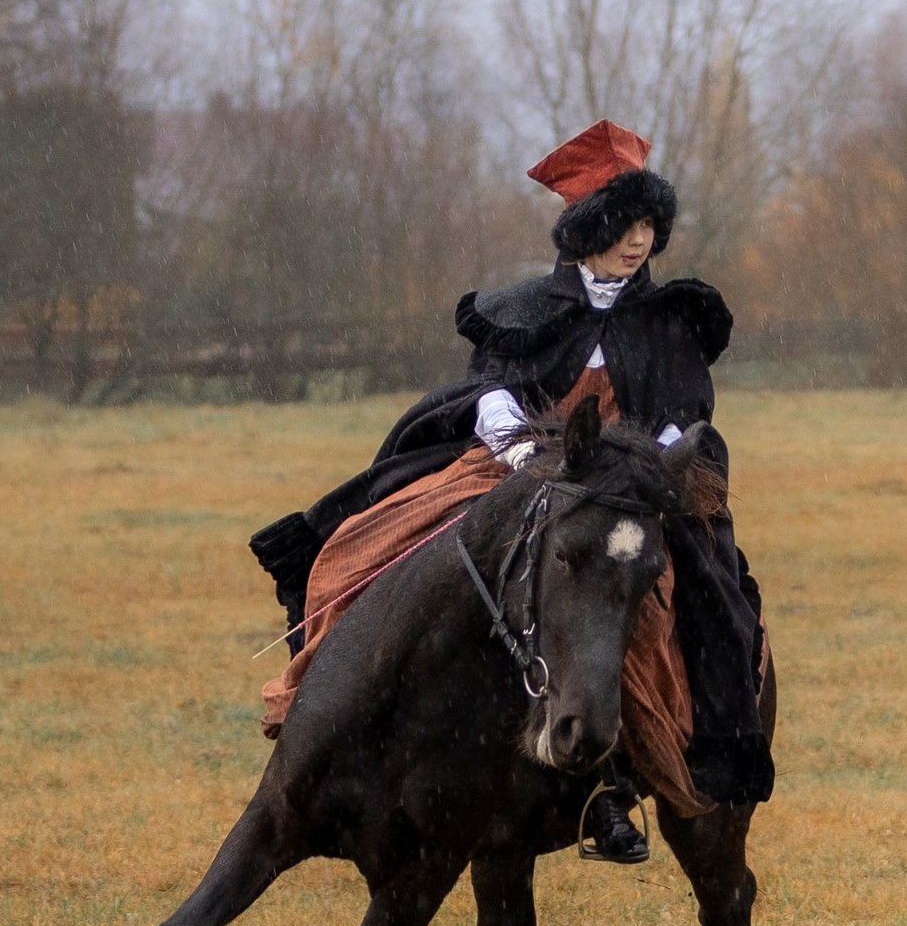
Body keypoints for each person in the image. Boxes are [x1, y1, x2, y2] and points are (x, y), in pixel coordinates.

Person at [247, 121, 773, 862]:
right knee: (369, 539)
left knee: (652, 616)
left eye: (650, 224)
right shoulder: (525, 305)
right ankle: (326, 707)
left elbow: (687, 416)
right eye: (625, 224)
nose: (638, 240)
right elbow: (489, 389)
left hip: (629, 497)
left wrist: (644, 465)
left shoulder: (672, 316)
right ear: (589, 227)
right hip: (520, 471)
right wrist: (519, 442)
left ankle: (609, 786)